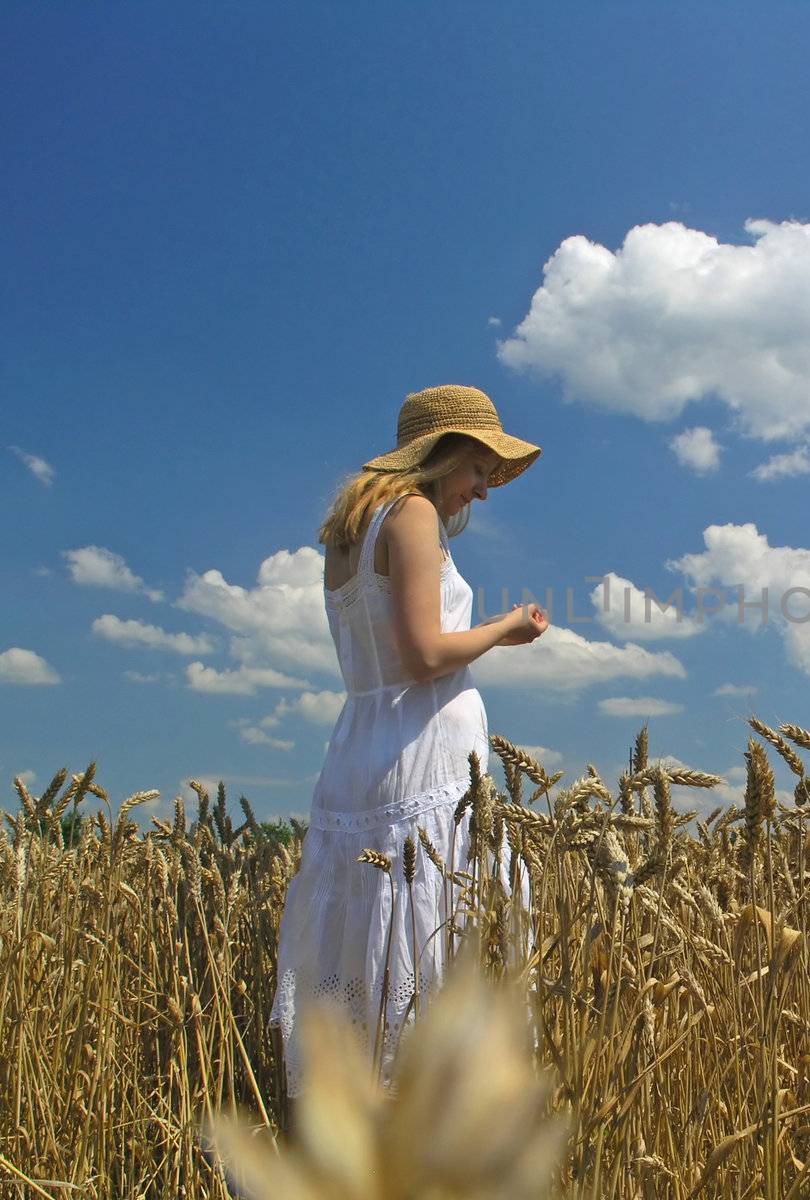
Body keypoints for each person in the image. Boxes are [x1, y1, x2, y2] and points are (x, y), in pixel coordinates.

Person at [268, 383, 549, 1098]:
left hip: (361, 751)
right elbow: (425, 655)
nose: (483, 491)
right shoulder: (414, 513)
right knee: (431, 946)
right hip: (423, 759)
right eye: (480, 470)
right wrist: (506, 630)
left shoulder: (347, 533)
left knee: (369, 948)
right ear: (443, 455)